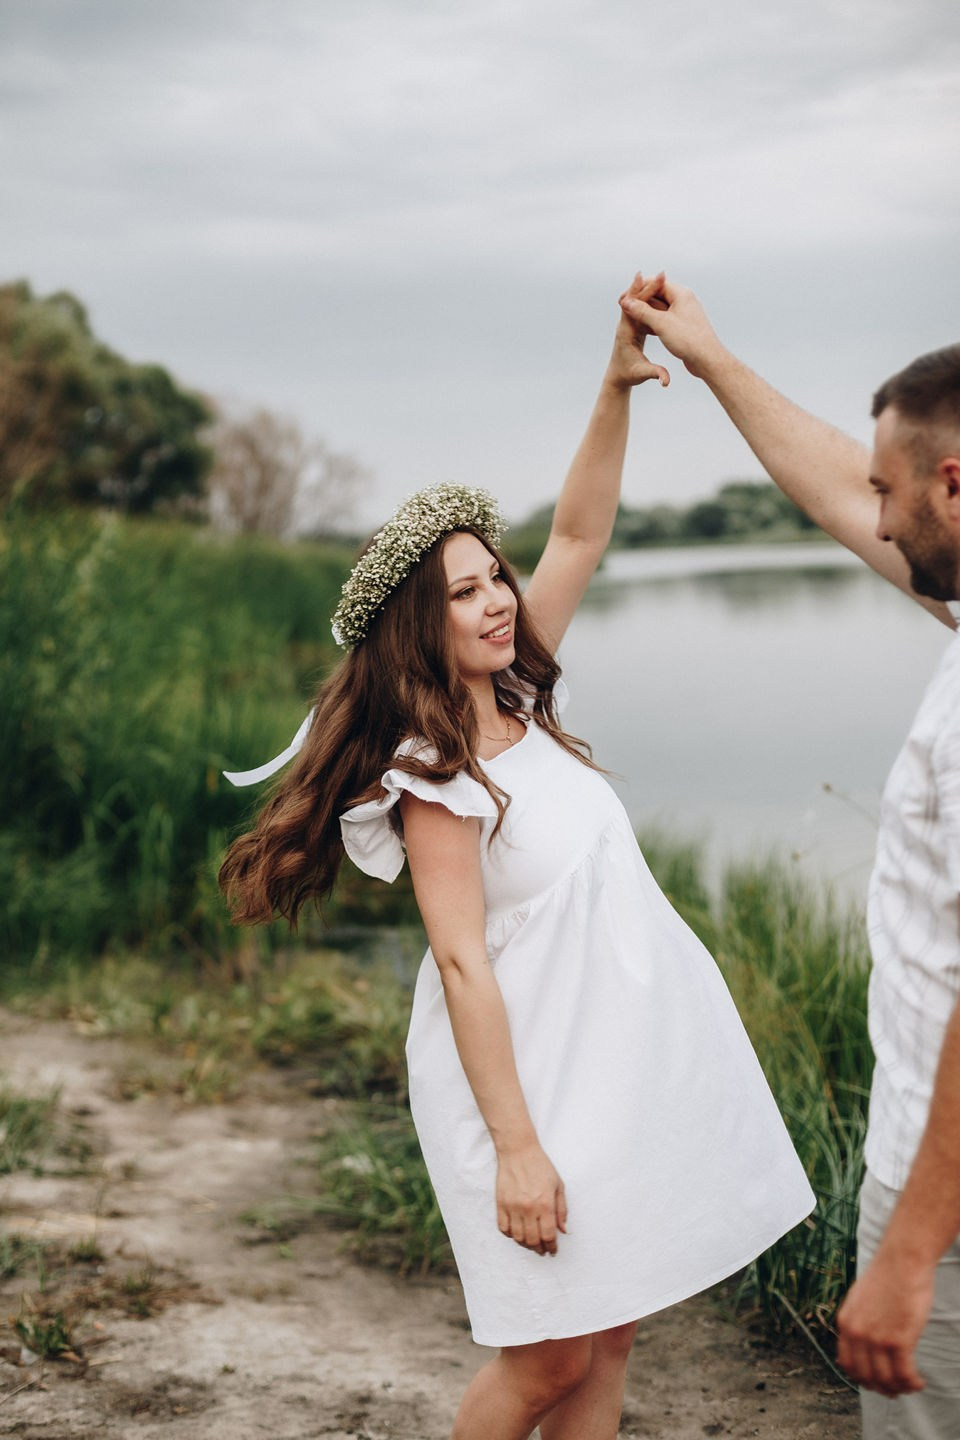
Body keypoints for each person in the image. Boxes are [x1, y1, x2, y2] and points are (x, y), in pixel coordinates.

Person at [219, 273, 814, 1440]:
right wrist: (520, 1154)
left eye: (496, 574)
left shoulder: (523, 701)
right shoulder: (430, 772)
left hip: (604, 1066)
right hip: (524, 1095)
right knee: (543, 1363)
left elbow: (584, 527)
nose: (498, 602)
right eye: (466, 592)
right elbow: (459, 967)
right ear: (415, 628)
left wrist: (615, 383)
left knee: (610, 1332)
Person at [621, 278, 960, 1439]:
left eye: (891, 490)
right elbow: (838, 479)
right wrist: (712, 360)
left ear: (953, 488)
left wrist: (911, 1251)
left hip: (945, 1205)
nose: (873, 513)